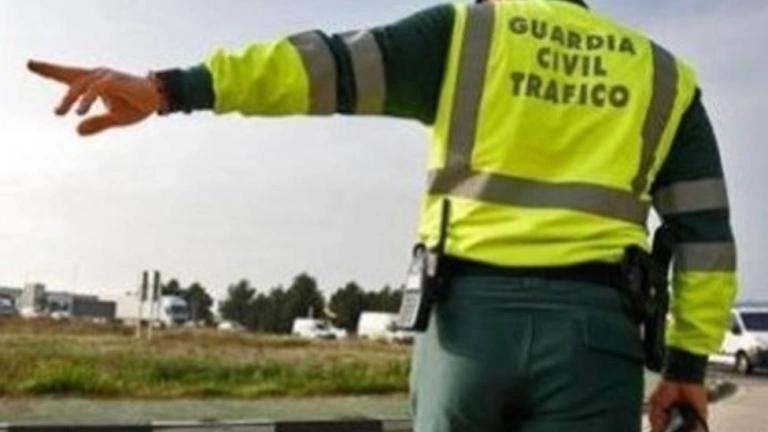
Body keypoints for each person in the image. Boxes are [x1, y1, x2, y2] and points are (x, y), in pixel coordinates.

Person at [28, 0, 737, 431]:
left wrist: (170, 89)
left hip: (467, 331)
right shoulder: (662, 75)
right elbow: (705, 237)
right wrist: (686, 363)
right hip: (596, 341)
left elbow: (316, 68)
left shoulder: (466, 34)